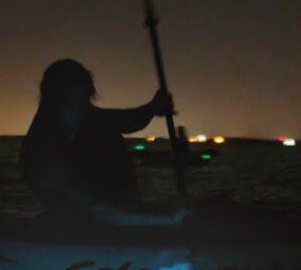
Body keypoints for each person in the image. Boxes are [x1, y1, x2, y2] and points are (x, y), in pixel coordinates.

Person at [19, 59, 185, 225]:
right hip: (87, 226)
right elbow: (96, 210)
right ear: (65, 96)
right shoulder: (42, 155)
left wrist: (153, 108)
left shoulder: (76, 119)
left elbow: (122, 120)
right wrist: (168, 218)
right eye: (83, 101)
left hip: (107, 216)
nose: (88, 109)